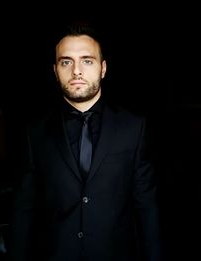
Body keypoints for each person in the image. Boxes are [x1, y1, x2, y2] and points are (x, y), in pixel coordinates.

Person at [11, 20, 165, 261]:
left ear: (103, 68)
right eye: (66, 62)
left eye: (87, 60)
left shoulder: (134, 127)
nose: (77, 71)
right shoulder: (35, 132)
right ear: (55, 70)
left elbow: (147, 207)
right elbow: (24, 209)